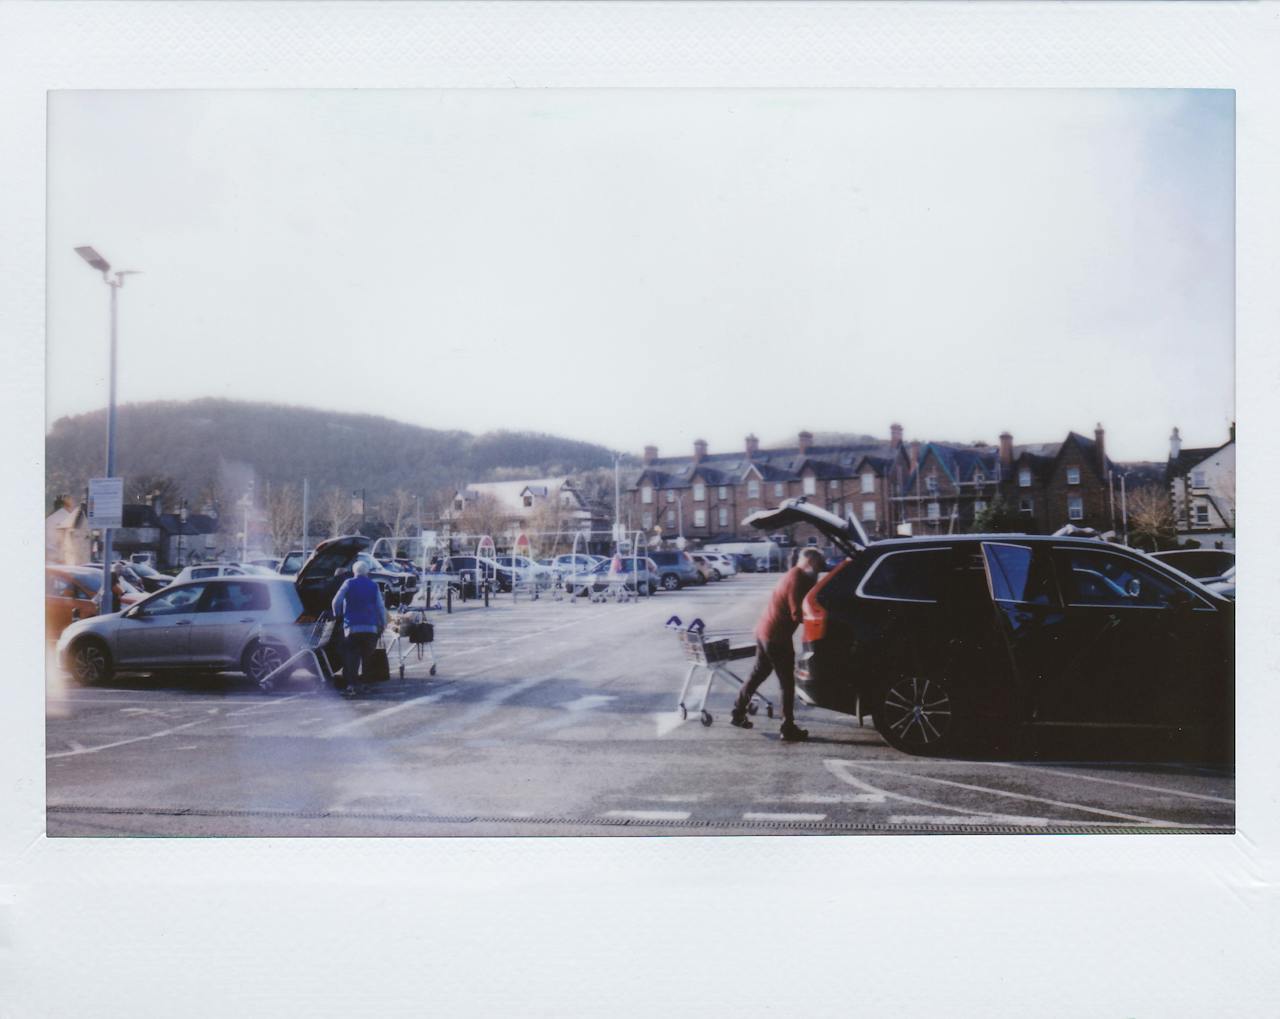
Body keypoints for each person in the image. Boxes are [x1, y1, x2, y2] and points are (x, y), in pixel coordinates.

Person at [730, 546, 826, 741]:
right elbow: (796, 614)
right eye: (817, 566)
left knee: (758, 674)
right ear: (809, 562)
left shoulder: (793, 574)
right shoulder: (798, 579)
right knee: (787, 683)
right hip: (776, 637)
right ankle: (787, 727)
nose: (819, 570)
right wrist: (822, 622)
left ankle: (737, 712)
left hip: (765, 632)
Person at [331, 559, 388, 698]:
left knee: (351, 657)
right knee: (367, 657)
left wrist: (337, 615)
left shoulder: (348, 583)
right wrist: (383, 623)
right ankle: (366, 684)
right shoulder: (373, 585)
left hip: (352, 627)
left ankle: (351, 685)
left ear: (354, 572)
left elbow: (336, 601)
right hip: (371, 628)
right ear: (367, 572)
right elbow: (380, 606)